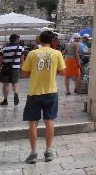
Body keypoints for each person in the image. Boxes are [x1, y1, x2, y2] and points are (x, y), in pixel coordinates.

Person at [20, 31, 66, 164]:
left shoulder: (33, 53)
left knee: (33, 123)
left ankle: (33, 153)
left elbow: (23, 73)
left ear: (39, 40)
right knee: (49, 121)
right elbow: (63, 72)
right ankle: (48, 151)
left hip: (34, 92)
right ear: (52, 41)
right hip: (51, 91)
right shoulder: (56, 53)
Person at [0, 33, 24, 106]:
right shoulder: (21, 48)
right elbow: (22, 60)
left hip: (5, 68)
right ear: (16, 40)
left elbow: (0, 60)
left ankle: (5, 100)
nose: (19, 40)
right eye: (18, 39)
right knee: (15, 83)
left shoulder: (4, 48)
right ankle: (15, 93)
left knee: (5, 85)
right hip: (15, 68)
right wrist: (22, 69)